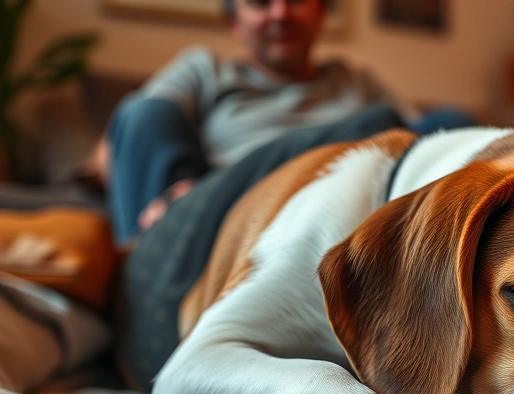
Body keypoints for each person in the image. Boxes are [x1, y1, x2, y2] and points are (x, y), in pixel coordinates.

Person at [102, 0, 472, 244]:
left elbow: (424, 142)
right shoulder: (205, 70)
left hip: (344, 203)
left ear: (321, 12)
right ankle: (149, 266)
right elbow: (134, 129)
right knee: (144, 111)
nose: (280, 13)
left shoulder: (356, 80)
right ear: (234, 23)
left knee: (450, 124)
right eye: (261, 2)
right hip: (227, 212)